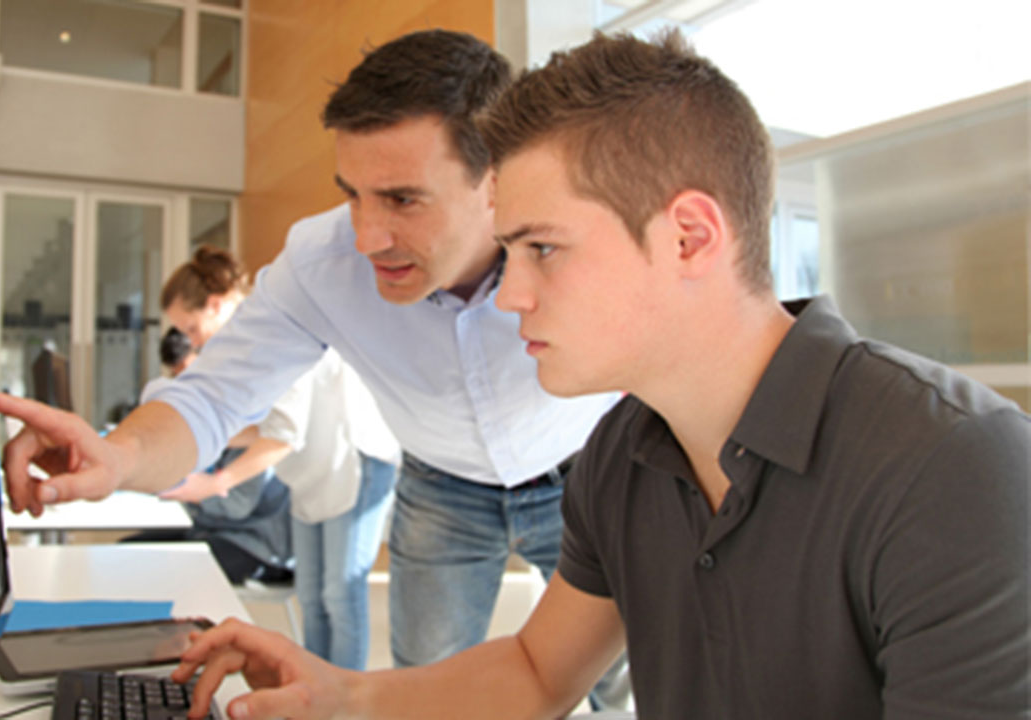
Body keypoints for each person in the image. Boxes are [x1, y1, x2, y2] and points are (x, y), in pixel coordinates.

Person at [167, 29, 1031, 720]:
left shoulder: (955, 464)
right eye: (511, 253)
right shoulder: (624, 453)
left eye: (543, 248)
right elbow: (537, 672)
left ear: (690, 236)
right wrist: (341, 695)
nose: (513, 298)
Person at [0, 29, 625, 706]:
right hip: (443, 484)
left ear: (496, 180)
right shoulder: (321, 262)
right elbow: (212, 397)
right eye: (353, 195)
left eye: (403, 199)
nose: (368, 238)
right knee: (427, 685)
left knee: (616, 674)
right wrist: (119, 456)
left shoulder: (573, 240)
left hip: (588, 467)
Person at [156, 246, 401, 670]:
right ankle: (316, 691)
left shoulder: (270, 326)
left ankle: (340, 706)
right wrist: (193, 442)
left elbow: (283, 435)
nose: (191, 342)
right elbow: (266, 423)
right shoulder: (243, 342)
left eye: (192, 329)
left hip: (353, 460)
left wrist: (216, 482)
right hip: (313, 468)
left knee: (341, 594)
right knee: (312, 595)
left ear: (215, 305)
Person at [129, 324, 294, 586]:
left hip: (252, 543)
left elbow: (237, 505)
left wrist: (195, 493)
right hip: (211, 529)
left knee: (152, 571)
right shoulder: (213, 420)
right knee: (125, 554)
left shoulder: (252, 418)